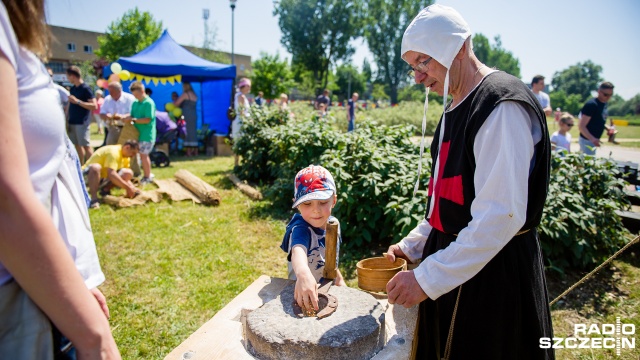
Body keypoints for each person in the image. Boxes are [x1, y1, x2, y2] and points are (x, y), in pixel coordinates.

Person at [385, 5, 553, 359]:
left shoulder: (500, 105)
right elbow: (449, 202)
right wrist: (414, 246)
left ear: (458, 47)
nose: (417, 76)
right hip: (453, 265)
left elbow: (500, 216)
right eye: (413, 66)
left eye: (424, 62)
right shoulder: (454, 106)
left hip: (494, 279)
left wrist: (427, 278)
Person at [0, 0, 120, 357]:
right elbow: (7, 202)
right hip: (16, 295)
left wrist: (71, 282)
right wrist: (95, 335)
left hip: (40, 283)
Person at [280, 165, 345, 313]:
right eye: (307, 204)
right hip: (302, 293)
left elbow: (329, 257)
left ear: (333, 200)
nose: (316, 210)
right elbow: (298, 251)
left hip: (328, 288)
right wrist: (303, 274)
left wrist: (339, 280)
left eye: (322, 202)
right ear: (297, 205)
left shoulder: (333, 225)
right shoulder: (300, 229)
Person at [83, 140, 140, 208]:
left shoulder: (126, 157)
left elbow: (125, 177)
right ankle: (94, 199)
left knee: (128, 172)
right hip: (87, 177)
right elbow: (111, 174)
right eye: (133, 153)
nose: (132, 156)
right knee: (96, 167)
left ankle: (104, 191)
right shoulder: (113, 152)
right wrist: (127, 187)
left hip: (102, 178)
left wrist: (132, 188)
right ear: (127, 147)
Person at [126, 81, 156, 184]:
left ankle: (147, 177)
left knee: (144, 155)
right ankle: (139, 174)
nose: (136, 97)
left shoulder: (149, 102)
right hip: (136, 133)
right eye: (134, 95)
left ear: (142, 91)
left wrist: (133, 120)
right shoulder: (135, 103)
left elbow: (147, 119)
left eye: (137, 95)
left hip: (147, 135)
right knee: (136, 155)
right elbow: (132, 115)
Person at [67, 65, 97, 163]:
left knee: (86, 146)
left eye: (68, 76)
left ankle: (91, 166)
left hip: (82, 122)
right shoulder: (73, 89)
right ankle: (82, 166)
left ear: (73, 76)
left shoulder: (85, 88)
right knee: (76, 145)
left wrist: (78, 102)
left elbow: (94, 105)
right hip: (72, 121)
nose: (67, 78)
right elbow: (69, 105)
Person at [578, 81, 615, 155]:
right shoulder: (592, 105)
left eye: (610, 95)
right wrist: (593, 139)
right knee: (586, 164)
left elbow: (597, 120)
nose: (608, 97)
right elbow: (581, 126)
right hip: (587, 140)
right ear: (599, 91)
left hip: (593, 140)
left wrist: (608, 128)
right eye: (606, 95)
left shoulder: (603, 104)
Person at [100, 81, 135, 146]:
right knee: (110, 147)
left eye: (112, 91)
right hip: (113, 128)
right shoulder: (107, 99)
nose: (110, 93)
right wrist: (107, 116)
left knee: (127, 148)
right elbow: (102, 113)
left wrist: (122, 116)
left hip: (127, 127)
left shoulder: (130, 98)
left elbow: (134, 113)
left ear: (119, 90)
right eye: (109, 91)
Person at [174, 81, 199, 156]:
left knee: (186, 131)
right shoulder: (194, 95)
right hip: (193, 115)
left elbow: (176, 103)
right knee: (193, 132)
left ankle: (188, 152)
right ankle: (195, 151)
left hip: (186, 115)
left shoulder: (185, 94)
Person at [232, 78, 251, 167]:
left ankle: (237, 164)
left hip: (238, 122)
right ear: (244, 86)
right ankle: (237, 164)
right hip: (241, 123)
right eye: (248, 86)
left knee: (238, 143)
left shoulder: (238, 95)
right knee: (240, 143)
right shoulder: (241, 97)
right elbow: (241, 111)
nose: (249, 88)